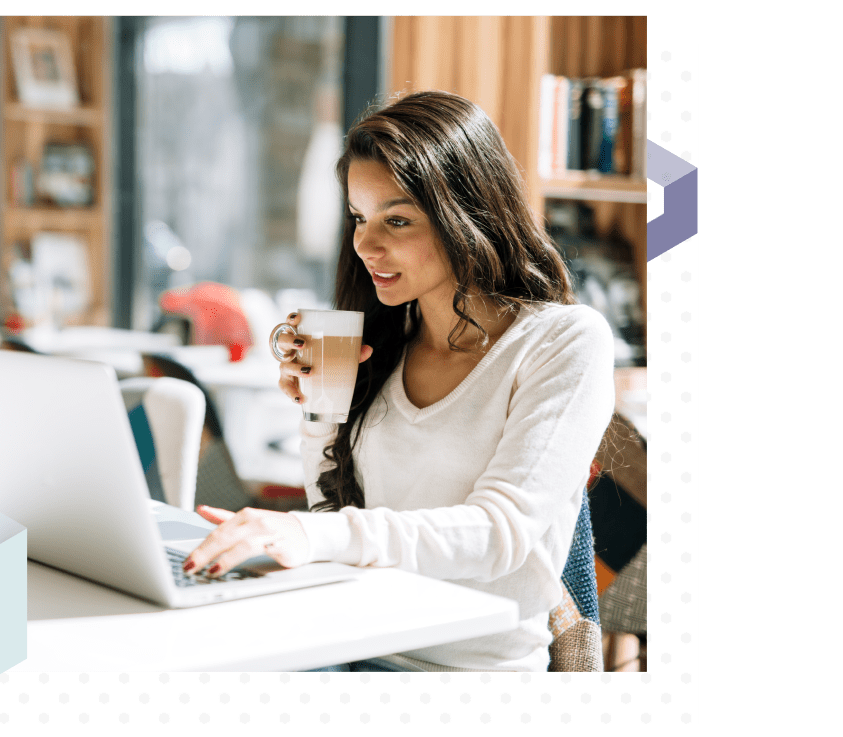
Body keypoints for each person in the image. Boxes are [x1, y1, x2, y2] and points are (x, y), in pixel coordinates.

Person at [183, 91, 615, 672]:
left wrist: (313, 539)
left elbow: (500, 532)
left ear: (469, 213)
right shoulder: (382, 336)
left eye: (397, 220)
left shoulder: (564, 342)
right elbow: (331, 510)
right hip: (349, 642)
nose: (364, 244)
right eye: (360, 218)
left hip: (464, 677)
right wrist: (320, 414)